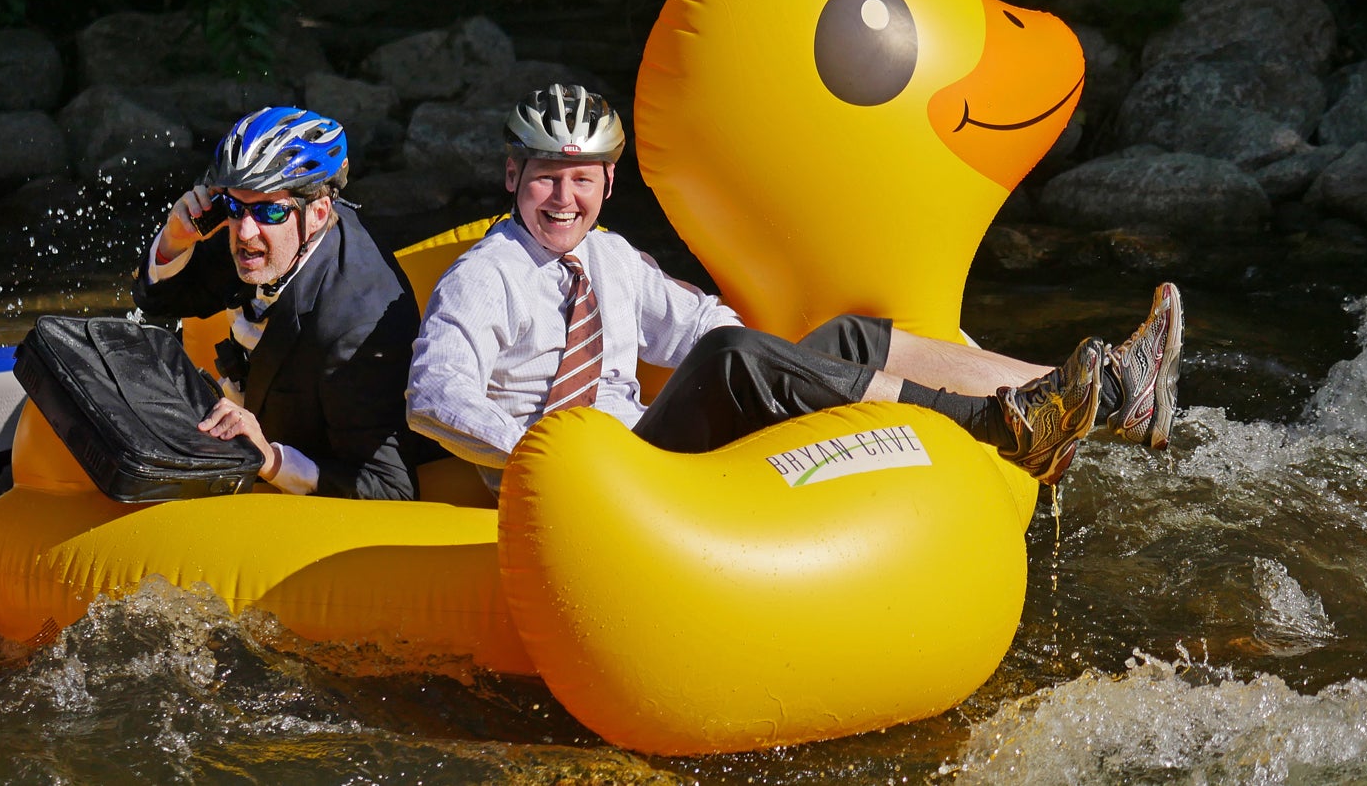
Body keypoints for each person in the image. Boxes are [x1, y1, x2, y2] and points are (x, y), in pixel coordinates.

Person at [407, 84, 1183, 493]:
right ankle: (1000, 427)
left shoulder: (607, 258)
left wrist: (790, 367)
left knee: (846, 337)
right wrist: (549, 457)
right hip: (582, 482)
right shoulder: (485, 276)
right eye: (546, 178)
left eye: (581, 179)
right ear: (514, 176)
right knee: (737, 358)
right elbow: (435, 397)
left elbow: (702, 320)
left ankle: (1112, 394)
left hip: (643, 454)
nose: (563, 199)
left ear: (608, 182)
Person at [135, 106, 429, 500]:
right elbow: (158, 302)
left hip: (303, 479)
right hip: (241, 427)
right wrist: (174, 240)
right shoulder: (260, 231)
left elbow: (391, 489)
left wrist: (271, 459)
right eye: (234, 207)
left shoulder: (357, 325)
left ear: (319, 212)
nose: (245, 230)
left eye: (269, 209)